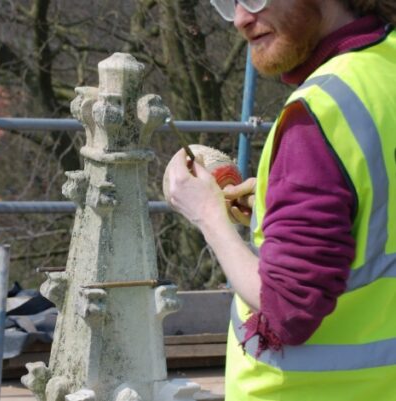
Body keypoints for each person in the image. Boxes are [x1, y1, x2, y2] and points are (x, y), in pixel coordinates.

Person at [163, 0, 396, 399]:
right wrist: (284, 200)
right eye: (227, 2)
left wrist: (207, 215)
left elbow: (287, 310)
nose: (239, 19)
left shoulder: (319, 112)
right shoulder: (384, 64)